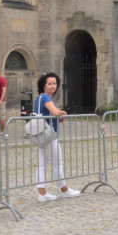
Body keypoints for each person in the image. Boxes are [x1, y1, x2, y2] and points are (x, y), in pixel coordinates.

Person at [33, 72, 80, 202]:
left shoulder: (39, 98)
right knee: (57, 164)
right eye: (50, 84)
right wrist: (63, 112)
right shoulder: (46, 98)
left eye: (54, 83)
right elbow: (55, 112)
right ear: (44, 85)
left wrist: (57, 116)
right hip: (49, 136)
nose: (53, 86)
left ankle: (42, 193)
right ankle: (64, 189)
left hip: (41, 134)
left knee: (42, 164)